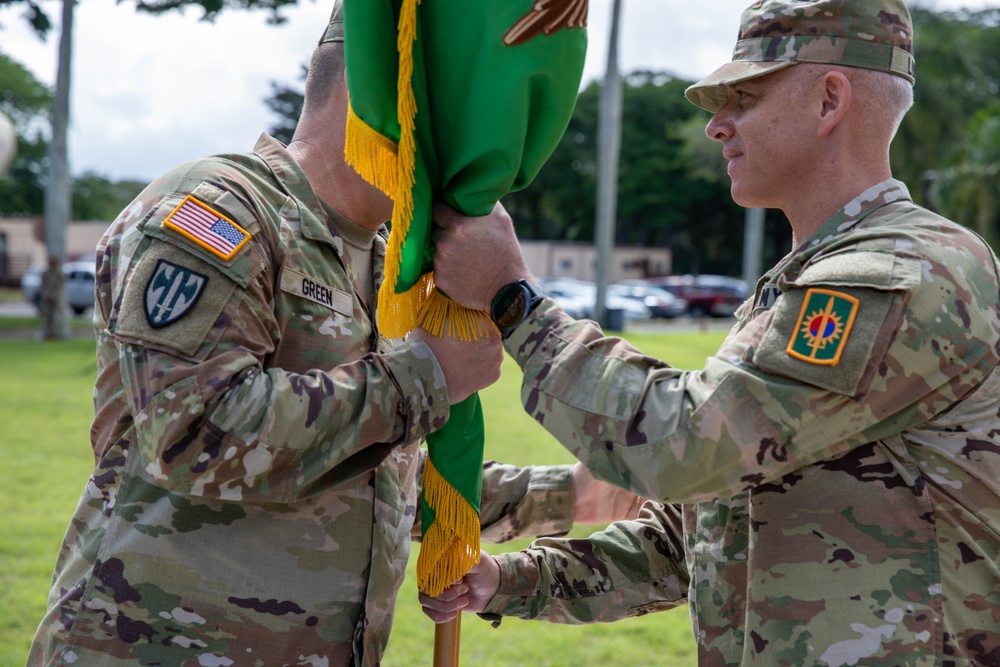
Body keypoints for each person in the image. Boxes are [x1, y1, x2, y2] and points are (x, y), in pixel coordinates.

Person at [26, 3, 642, 665]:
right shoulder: (220, 209)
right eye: (476, 103)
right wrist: (428, 373)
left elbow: (371, 469)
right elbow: (191, 433)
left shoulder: (391, 267)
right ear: (387, 86)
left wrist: (570, 495)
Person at [419, 0, 1000, 664]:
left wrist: (514, 303)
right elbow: (703, 533)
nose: (716, 127)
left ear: (828, 100)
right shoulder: (819, 279)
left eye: (742, 98)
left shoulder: (897, 275)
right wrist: (507, 580)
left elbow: (685, 445)